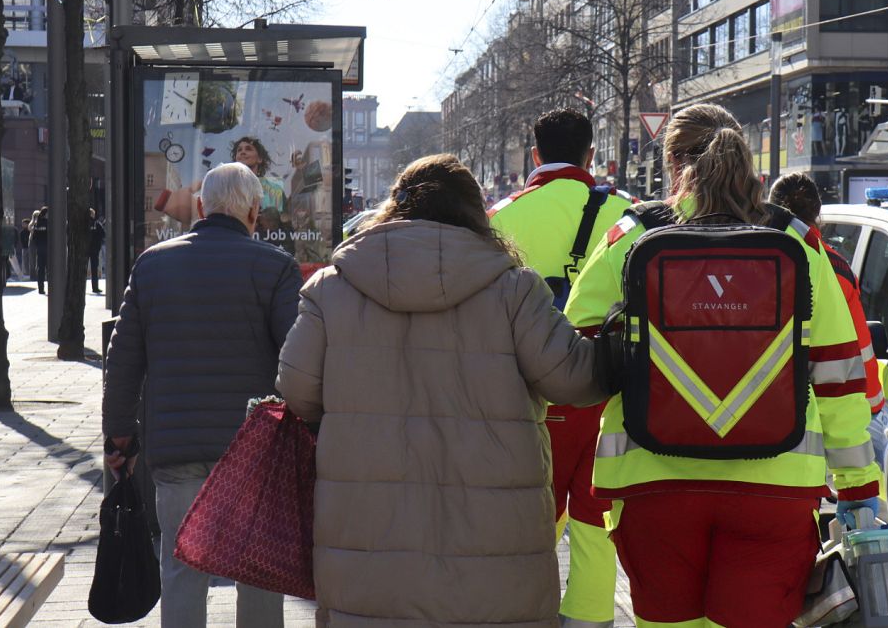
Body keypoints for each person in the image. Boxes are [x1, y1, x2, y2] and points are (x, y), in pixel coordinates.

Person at [564, 104, 881, 628]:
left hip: (651, 482)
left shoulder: (633, 234)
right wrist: (858, 487)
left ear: (672, 164)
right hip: (776, 485)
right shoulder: (799, 241)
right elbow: (838, 373)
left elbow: (577, 342)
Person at [276, 154, 610, 627]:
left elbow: (297, 387)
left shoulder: (332, 289)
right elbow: (573, 378)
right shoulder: (515, 289)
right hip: (493, 543)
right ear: (474, 211)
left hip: (369, 537)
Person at [102, 162, 302, 628]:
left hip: (177, 451)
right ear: (254, 211)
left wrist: (120, 435)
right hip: (254, 452)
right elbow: (296, 357)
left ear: (199, 206)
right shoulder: (276, 267)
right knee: (258, 569)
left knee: (182, 568)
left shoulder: (153, 265)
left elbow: (123, 360)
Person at [487, 109, 632, 628]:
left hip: (530, 396)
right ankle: (590, 618)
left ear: (535, 155)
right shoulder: (628, 214)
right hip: (608, 394)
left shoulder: (499, 218)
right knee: (597, 518)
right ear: (591, 154)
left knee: (530, 518)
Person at [769, 172, 884, 414]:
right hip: (823, 410)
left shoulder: (757, 263)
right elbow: (858, 346)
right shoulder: (838, 270)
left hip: (767, 407)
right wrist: (873, 401)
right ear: (817, 214)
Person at [29, 207, 48, 294]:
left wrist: (38, 245)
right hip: (49, 249)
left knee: (41, 269)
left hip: (40, 249)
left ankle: (41, 289)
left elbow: (34, 237)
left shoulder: (36, 224)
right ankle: (52, 288)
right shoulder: (49, 223)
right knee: (50, 269)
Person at [89, 208, 106, 294]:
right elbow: (103, 234)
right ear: (93, 214)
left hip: (85, 248)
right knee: (94, 268)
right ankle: (95, 287)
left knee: (82, 269)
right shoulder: (97, 224)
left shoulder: (83, 224)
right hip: (95, 249)